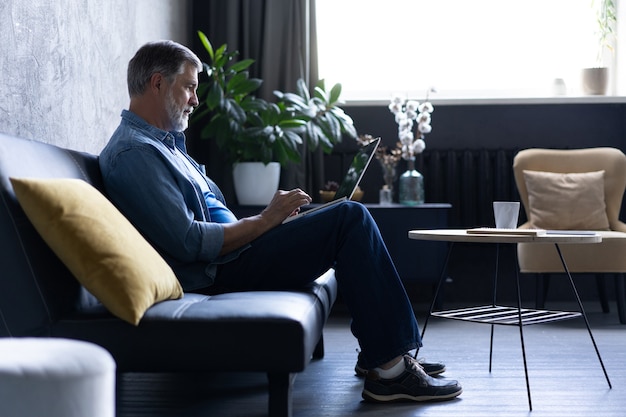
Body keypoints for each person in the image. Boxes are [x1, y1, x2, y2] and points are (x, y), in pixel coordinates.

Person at [99, 40, 462, 404]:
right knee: (349, 217)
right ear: (158, 83)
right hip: (217, 271)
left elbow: (208, 219)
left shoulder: (165, 145)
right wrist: (264, 220)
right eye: (190, 87)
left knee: (338, 216)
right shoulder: (134, 153)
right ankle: (392, 372)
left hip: (236, 254)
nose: (196, 99)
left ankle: (382, 356)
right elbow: (190, 241)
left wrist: (274, 222)